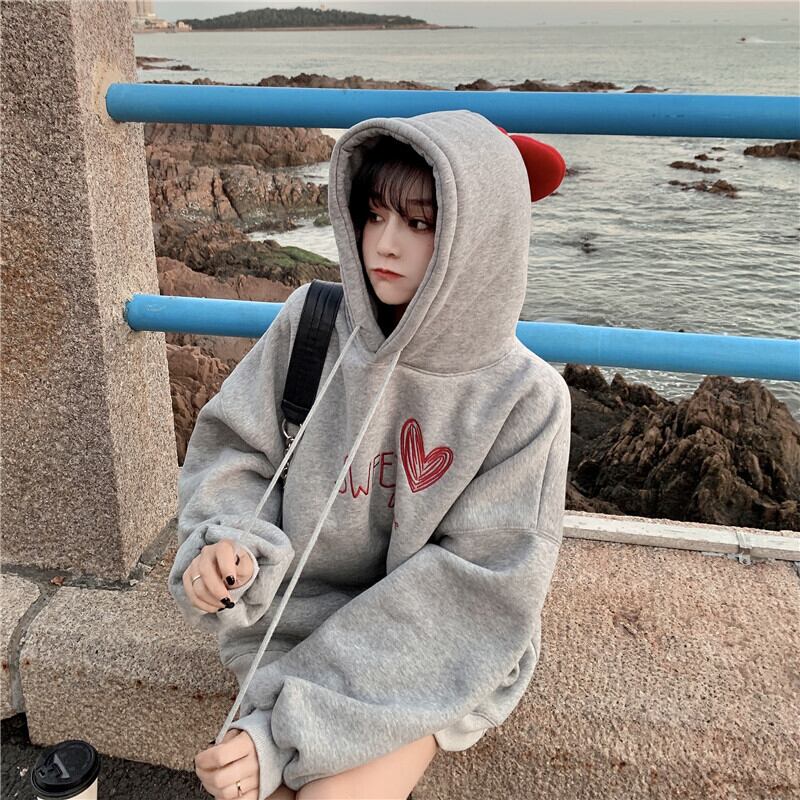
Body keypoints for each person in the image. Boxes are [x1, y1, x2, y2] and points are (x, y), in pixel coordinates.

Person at [168, 109, 570, 800]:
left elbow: (471, 595)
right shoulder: (312, 325)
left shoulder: (526, 399)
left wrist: (278, 734)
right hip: (294, 618)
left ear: (479, 237)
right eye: (375, 213)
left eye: (420, 223)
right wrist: (229, 545)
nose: (385, 243)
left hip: (431, 655)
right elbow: (235, 452)